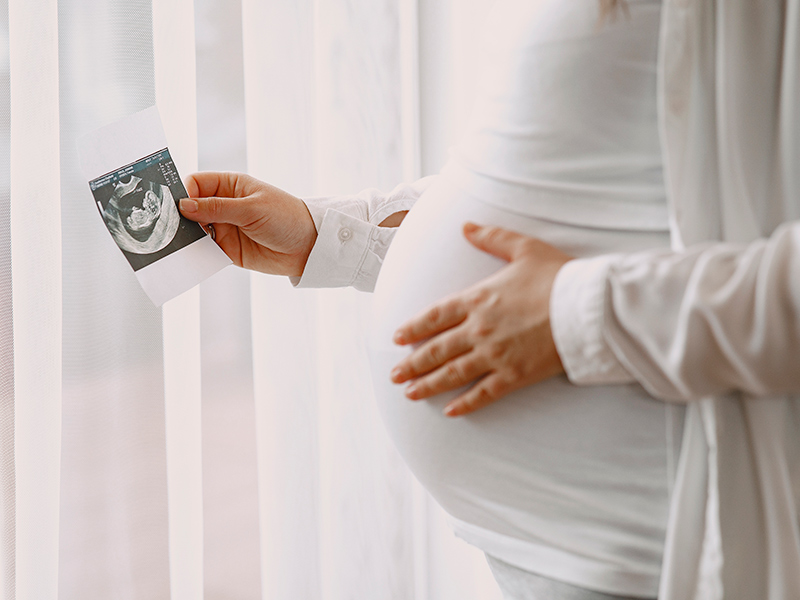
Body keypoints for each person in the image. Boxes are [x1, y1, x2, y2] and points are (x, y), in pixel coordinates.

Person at [179, 1, 800, 598]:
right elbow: (562, 186)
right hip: (552, 550)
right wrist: (327, 236)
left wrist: (579, 313)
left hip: (636, 543)